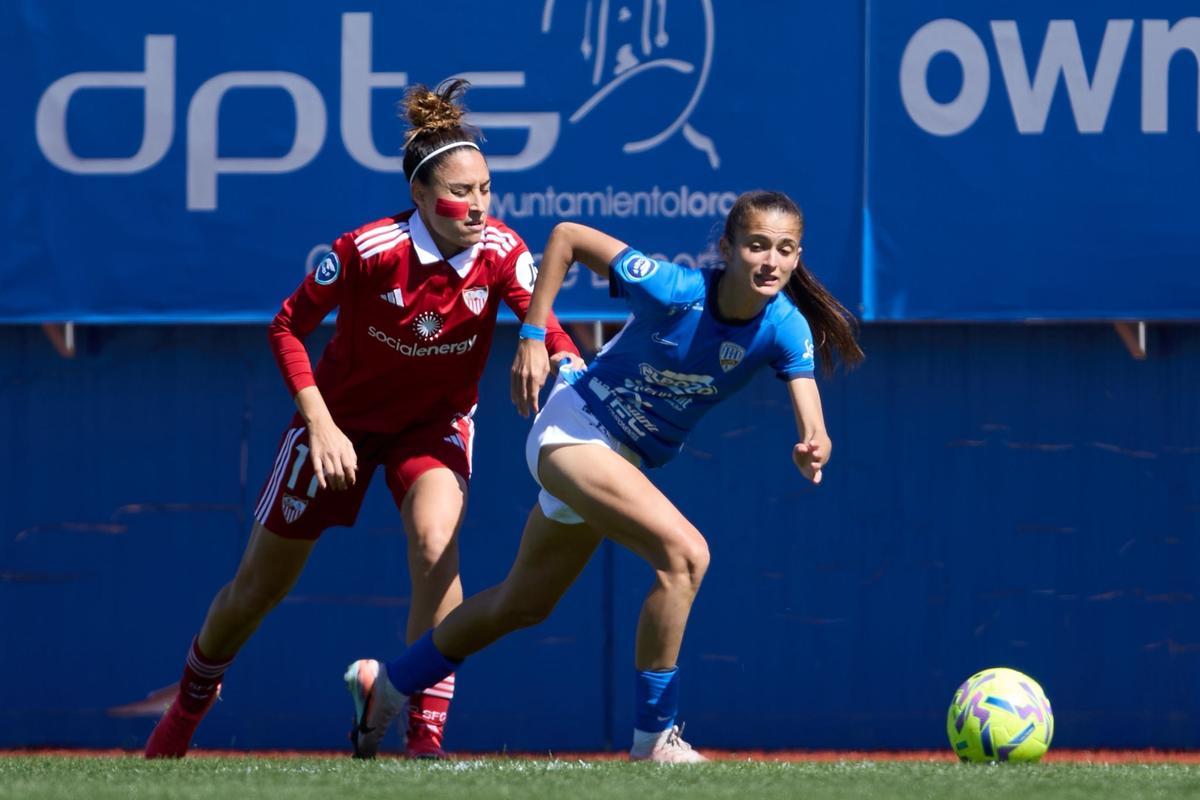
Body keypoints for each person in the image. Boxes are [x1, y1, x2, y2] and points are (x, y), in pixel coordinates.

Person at [343, 190, 865, 761]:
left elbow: (812, 416)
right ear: (727, 247)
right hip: (575, 431)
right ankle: (654, 738)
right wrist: (532, 334)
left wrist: (815, 444)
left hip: (618, 461)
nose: (770, 261)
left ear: (797, 256)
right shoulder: (674, 288)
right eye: (757, 245)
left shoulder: (785, 325)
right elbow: (567, 236)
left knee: (522, 604)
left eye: (785, 250)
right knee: (686, 556)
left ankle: (386, 685)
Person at [144, 79, 582, 759]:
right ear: (419, 195)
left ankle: (422, 737)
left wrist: (553, 349)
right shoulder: (368, 250)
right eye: (460, 192)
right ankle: (183, 716)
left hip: (433, 425)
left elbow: (544, 320)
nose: (477, 205)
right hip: (339, 421)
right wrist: (319, 425)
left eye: (486, 189)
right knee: (257, 589)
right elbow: (287, 328)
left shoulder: (501, 251)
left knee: (437, 545)